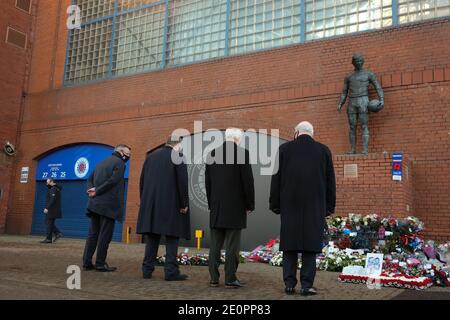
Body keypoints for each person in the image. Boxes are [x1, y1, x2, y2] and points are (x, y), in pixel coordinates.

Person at [270, 121, 336, 296]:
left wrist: (275, 204)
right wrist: (329, 207)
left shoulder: (284, 149)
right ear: (311, 133)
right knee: (309, 246)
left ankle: (289, 284)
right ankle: (306, 285)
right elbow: (331, 181)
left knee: (289, 245)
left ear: (296, 133)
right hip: (314, 205)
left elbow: (276, 179)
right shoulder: (323, 151)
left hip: (289, 204)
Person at [205, 128, 255, 288]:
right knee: (232, 245)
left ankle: (213, 278)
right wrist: (250, 204)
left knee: (215, 244)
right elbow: (247, 181)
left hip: (217, 207)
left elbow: (208, 182)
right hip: (235, 207)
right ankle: (230, 278)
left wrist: (211, 203)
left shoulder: (211, 153)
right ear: (238, 139)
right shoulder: (242, 153)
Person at [136, 136, 190, 281]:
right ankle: (170, 272)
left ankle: (147, 270)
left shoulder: (151, 157)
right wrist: (184, 204)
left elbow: (142, 181)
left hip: (151, 206)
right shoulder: (178, 156)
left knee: (152, 238)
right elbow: (182, 182)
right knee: (172, 238)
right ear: (177, 145)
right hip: (171, 206)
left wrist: (145, 201)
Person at [82, 144, 131, 272]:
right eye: (127, 154)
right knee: (105, 235)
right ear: (120, 152)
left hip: (94, 205)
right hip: (108, 206)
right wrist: (97, 190)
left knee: (93, 234)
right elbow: (113, 181)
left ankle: (87, 262)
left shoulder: (100, 163)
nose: (128, 157)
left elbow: (89, 179)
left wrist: (91, 190)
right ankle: (100, 263)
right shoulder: (120, 163)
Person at [337, 53, 384, 155]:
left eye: (360, 61)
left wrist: (382, 99)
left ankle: (365, 150)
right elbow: (344, 92)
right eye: (356, 61)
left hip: (364, 100)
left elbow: (378, 87)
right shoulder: (348, 77)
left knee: (364, 126)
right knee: (352, 127)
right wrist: (341, 103)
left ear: (363, 61)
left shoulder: (369, 74)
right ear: (353, 63)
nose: (358, 62)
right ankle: (352, 150)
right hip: (352, 102)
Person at [40, 178, 63, 244]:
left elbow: (52, 199)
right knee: (50, 223)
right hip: (54, 210)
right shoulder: (56, 189)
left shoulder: (53, 189)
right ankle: (57, 233)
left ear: (52, 182)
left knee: (48, 223)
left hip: (52, 210)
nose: (47, 184)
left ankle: (49, 238)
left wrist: (47, 208)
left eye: (48, 182)